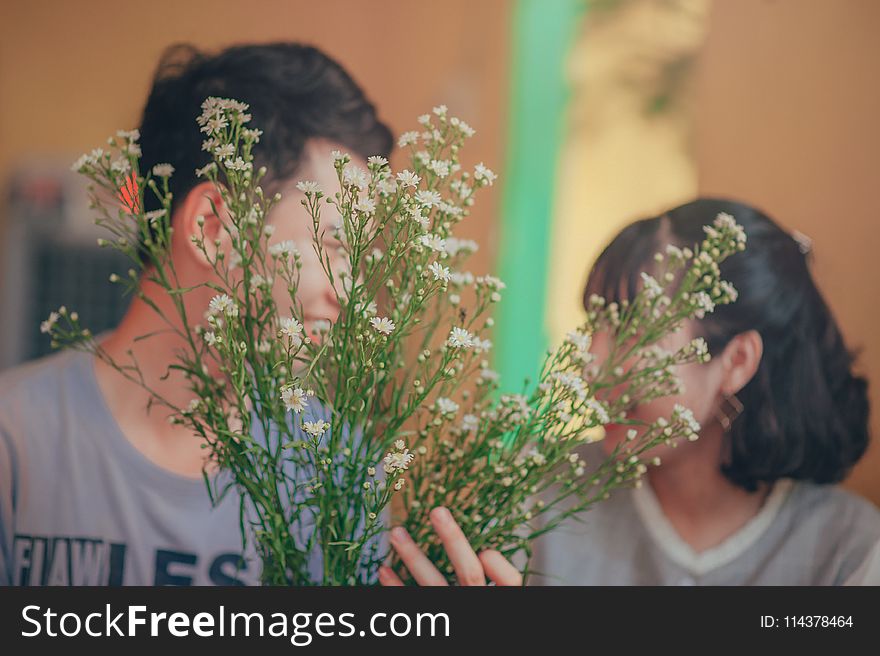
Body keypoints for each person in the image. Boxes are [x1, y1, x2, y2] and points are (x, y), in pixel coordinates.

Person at [0, 42, 393, 585]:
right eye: (333, 244)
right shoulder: (15, 442)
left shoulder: (341, 471)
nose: (351, 296)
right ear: (212, 226)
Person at [384, 198, 880, 585]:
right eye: (594, 323)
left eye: (631, 329)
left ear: (736, 362)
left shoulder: (847, 549)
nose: (588, 364)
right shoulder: (537, 493)